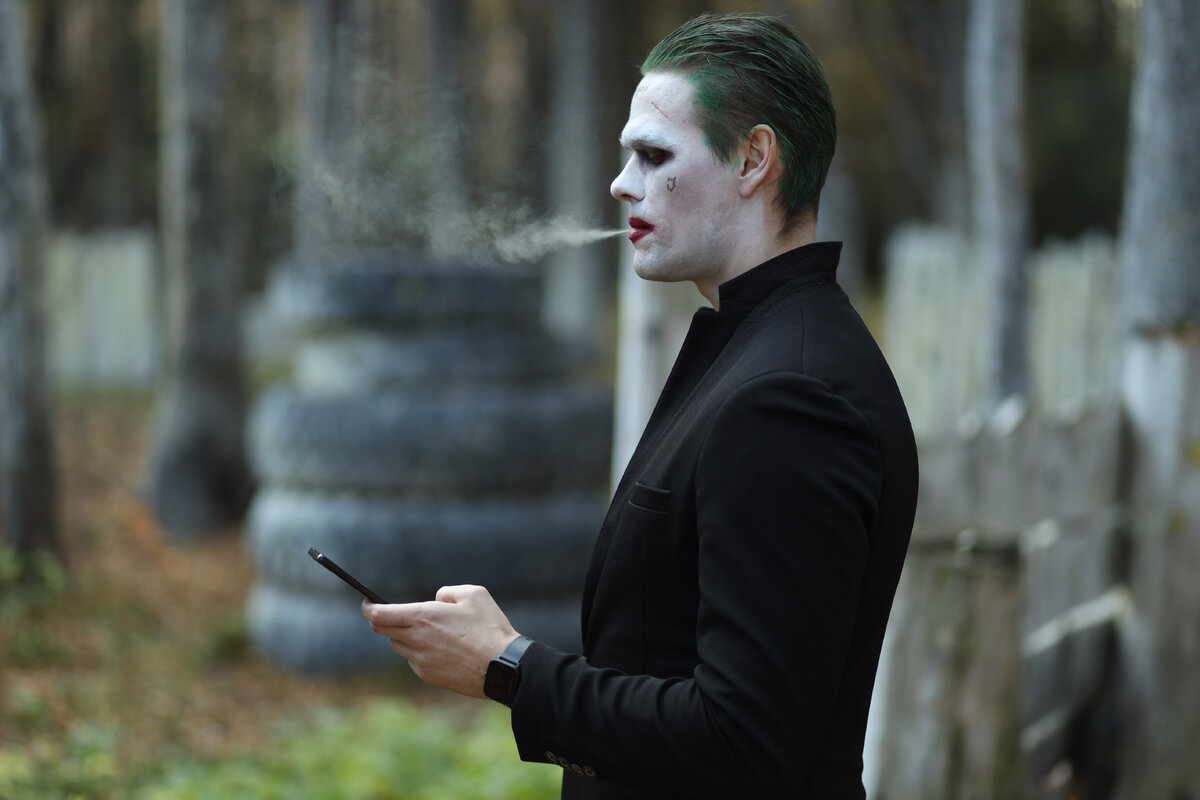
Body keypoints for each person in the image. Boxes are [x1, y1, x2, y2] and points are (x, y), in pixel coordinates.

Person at [363, 12, 918, 799]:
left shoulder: (788, 397)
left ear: (754, 159)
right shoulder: (760, 351)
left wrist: (510, 666)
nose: (623, 183)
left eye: (654, 155)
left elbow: (744, 742)